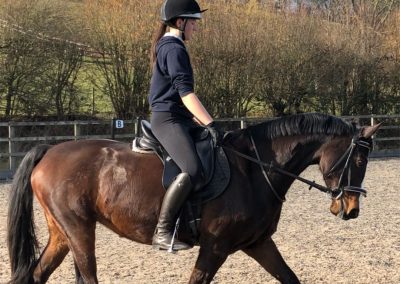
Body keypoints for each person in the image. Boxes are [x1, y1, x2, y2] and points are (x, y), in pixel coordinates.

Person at [149, 0, 222, 251]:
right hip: (167, 119)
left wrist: (198, 121)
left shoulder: (172, 46)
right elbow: (185, 93)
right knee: (191, 168)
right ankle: (163, 230)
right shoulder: (173, 48)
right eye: (194, 23)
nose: (196, 28)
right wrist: (211, 123)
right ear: (180, 22)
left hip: (178, 117)